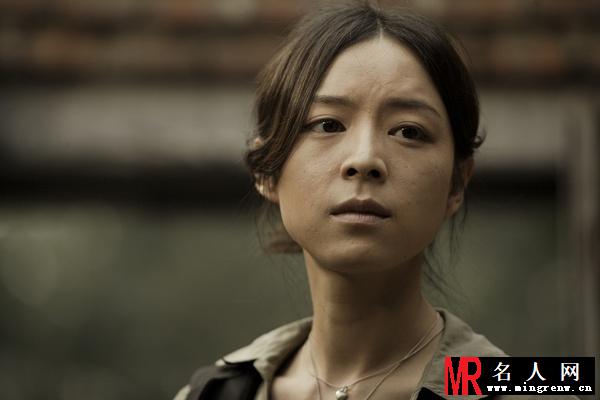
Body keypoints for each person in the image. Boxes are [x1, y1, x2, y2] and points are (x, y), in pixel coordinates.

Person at [173, 2, 576, 400]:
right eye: (327, 124)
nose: (365, 159)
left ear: (457, 182)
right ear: (266, 171)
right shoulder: (213, 393)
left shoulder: (531, 389)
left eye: (409, 131)